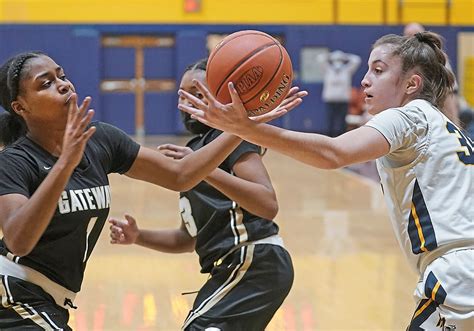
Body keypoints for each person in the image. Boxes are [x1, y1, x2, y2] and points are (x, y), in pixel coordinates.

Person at [179, 32, 474, 330]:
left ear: (412, 84)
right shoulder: (446, 129)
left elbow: (333, 153)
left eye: (379, 70)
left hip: (459, 274)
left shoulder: (409, 116)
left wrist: (245, 128)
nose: (365, 80)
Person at [0, 51, 300, 330]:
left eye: (62, 76)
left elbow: (180, 175)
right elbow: (18, 241)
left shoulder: (101, 139)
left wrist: (244, 124)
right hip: (14, 294)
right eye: (46, 84)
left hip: (49, 301)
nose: (63, 85)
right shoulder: (14, 161)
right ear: (20, 107)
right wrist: (65, 164)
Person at [109, 58, 296, 331]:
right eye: (182, 94)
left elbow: (267, 204)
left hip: (254, 260)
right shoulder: (196, 149)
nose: (186, 102)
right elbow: (187, 238)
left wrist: (202, 168)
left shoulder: (231, 138)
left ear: (220, 97)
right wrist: (139, 237)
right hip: (229, 269)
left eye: (197, 94)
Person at [404, 22, 461, 125]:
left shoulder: (436, 56)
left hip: (438, 99)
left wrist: (455, 121)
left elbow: (449, 89)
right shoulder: (404, 58)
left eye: (415, 34)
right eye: (408, 35)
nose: (411, 38)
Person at [317, 50, 361, 137]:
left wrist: (344, 56)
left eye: (339, 60)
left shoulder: (347, 70)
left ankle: (342, 138)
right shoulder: (328, 70)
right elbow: (320, 59)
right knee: (330, 121)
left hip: (343, 100)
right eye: (336, 60)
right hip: (330, 100)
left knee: (342, 121)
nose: (338, 62)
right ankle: (329, 138)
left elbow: (357, 60)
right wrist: (331, 56)